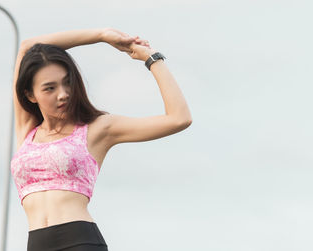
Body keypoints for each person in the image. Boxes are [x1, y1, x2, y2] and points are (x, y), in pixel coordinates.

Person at [10, 27, 192, 251]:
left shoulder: (97, 128)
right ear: (30, 95)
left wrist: (152, 58)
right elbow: (27, 47)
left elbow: (179, 118)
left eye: (67, 83)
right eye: (50, 88)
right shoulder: (27, 128)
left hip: (79, 242)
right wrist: (102, 36)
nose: (63, 93)